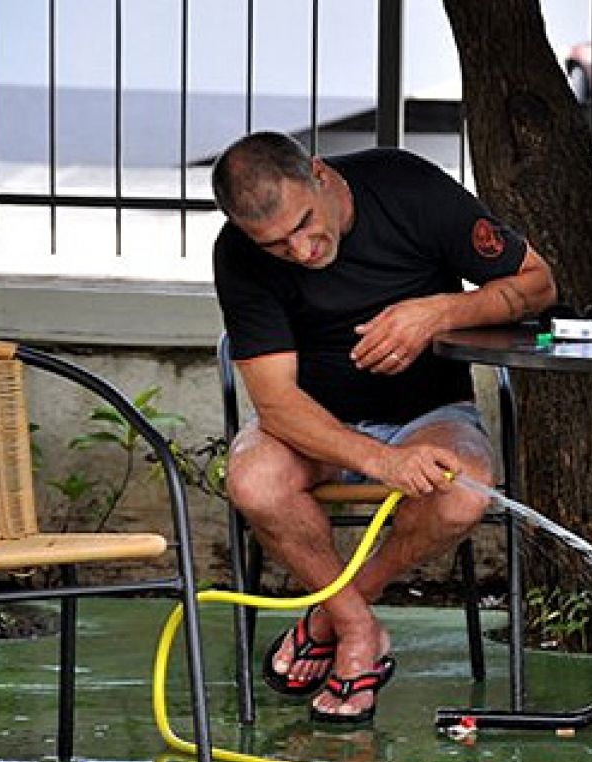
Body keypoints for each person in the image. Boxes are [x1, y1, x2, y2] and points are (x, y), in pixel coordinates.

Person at [211, 131, 556, 724]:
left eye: (304, 224)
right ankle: (358, 632)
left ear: (319, 174)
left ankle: (331, 615)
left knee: (461, 494)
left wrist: (440, 311)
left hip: (430, 416)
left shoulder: (405, 186)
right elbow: (278, 407)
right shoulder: (238, 253)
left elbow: (537, 285)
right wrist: (381, 460)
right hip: (313, 427)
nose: (299, 250)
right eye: (276, 243)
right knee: (253, 481)